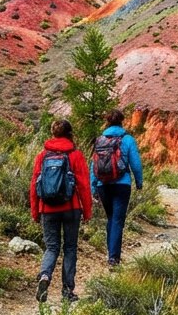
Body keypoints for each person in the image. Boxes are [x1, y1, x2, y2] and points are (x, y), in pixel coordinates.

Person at [30, 119, 92, 303]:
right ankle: (67, 290)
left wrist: (35, 211)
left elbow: (34, 185)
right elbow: (84, 186)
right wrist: (87, 211)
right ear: (70, 133)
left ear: (53, 133)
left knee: (51, 247)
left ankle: (45, 276)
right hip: (71, 208)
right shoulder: (75, 155)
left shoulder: (42, 156)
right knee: (70, 248)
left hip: (47, 208)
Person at [90, 109, 144, 266]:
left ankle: (111, 253)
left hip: (103, 185)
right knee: (117, 220)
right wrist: (139, 182)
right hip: (122, 184)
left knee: (111, 218)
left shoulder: (100, 140)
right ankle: (113, 257)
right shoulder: (127, 139)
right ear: (122, 121)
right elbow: (135, 163)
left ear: (107, 122)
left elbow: (94, 165)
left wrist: (93, 187)